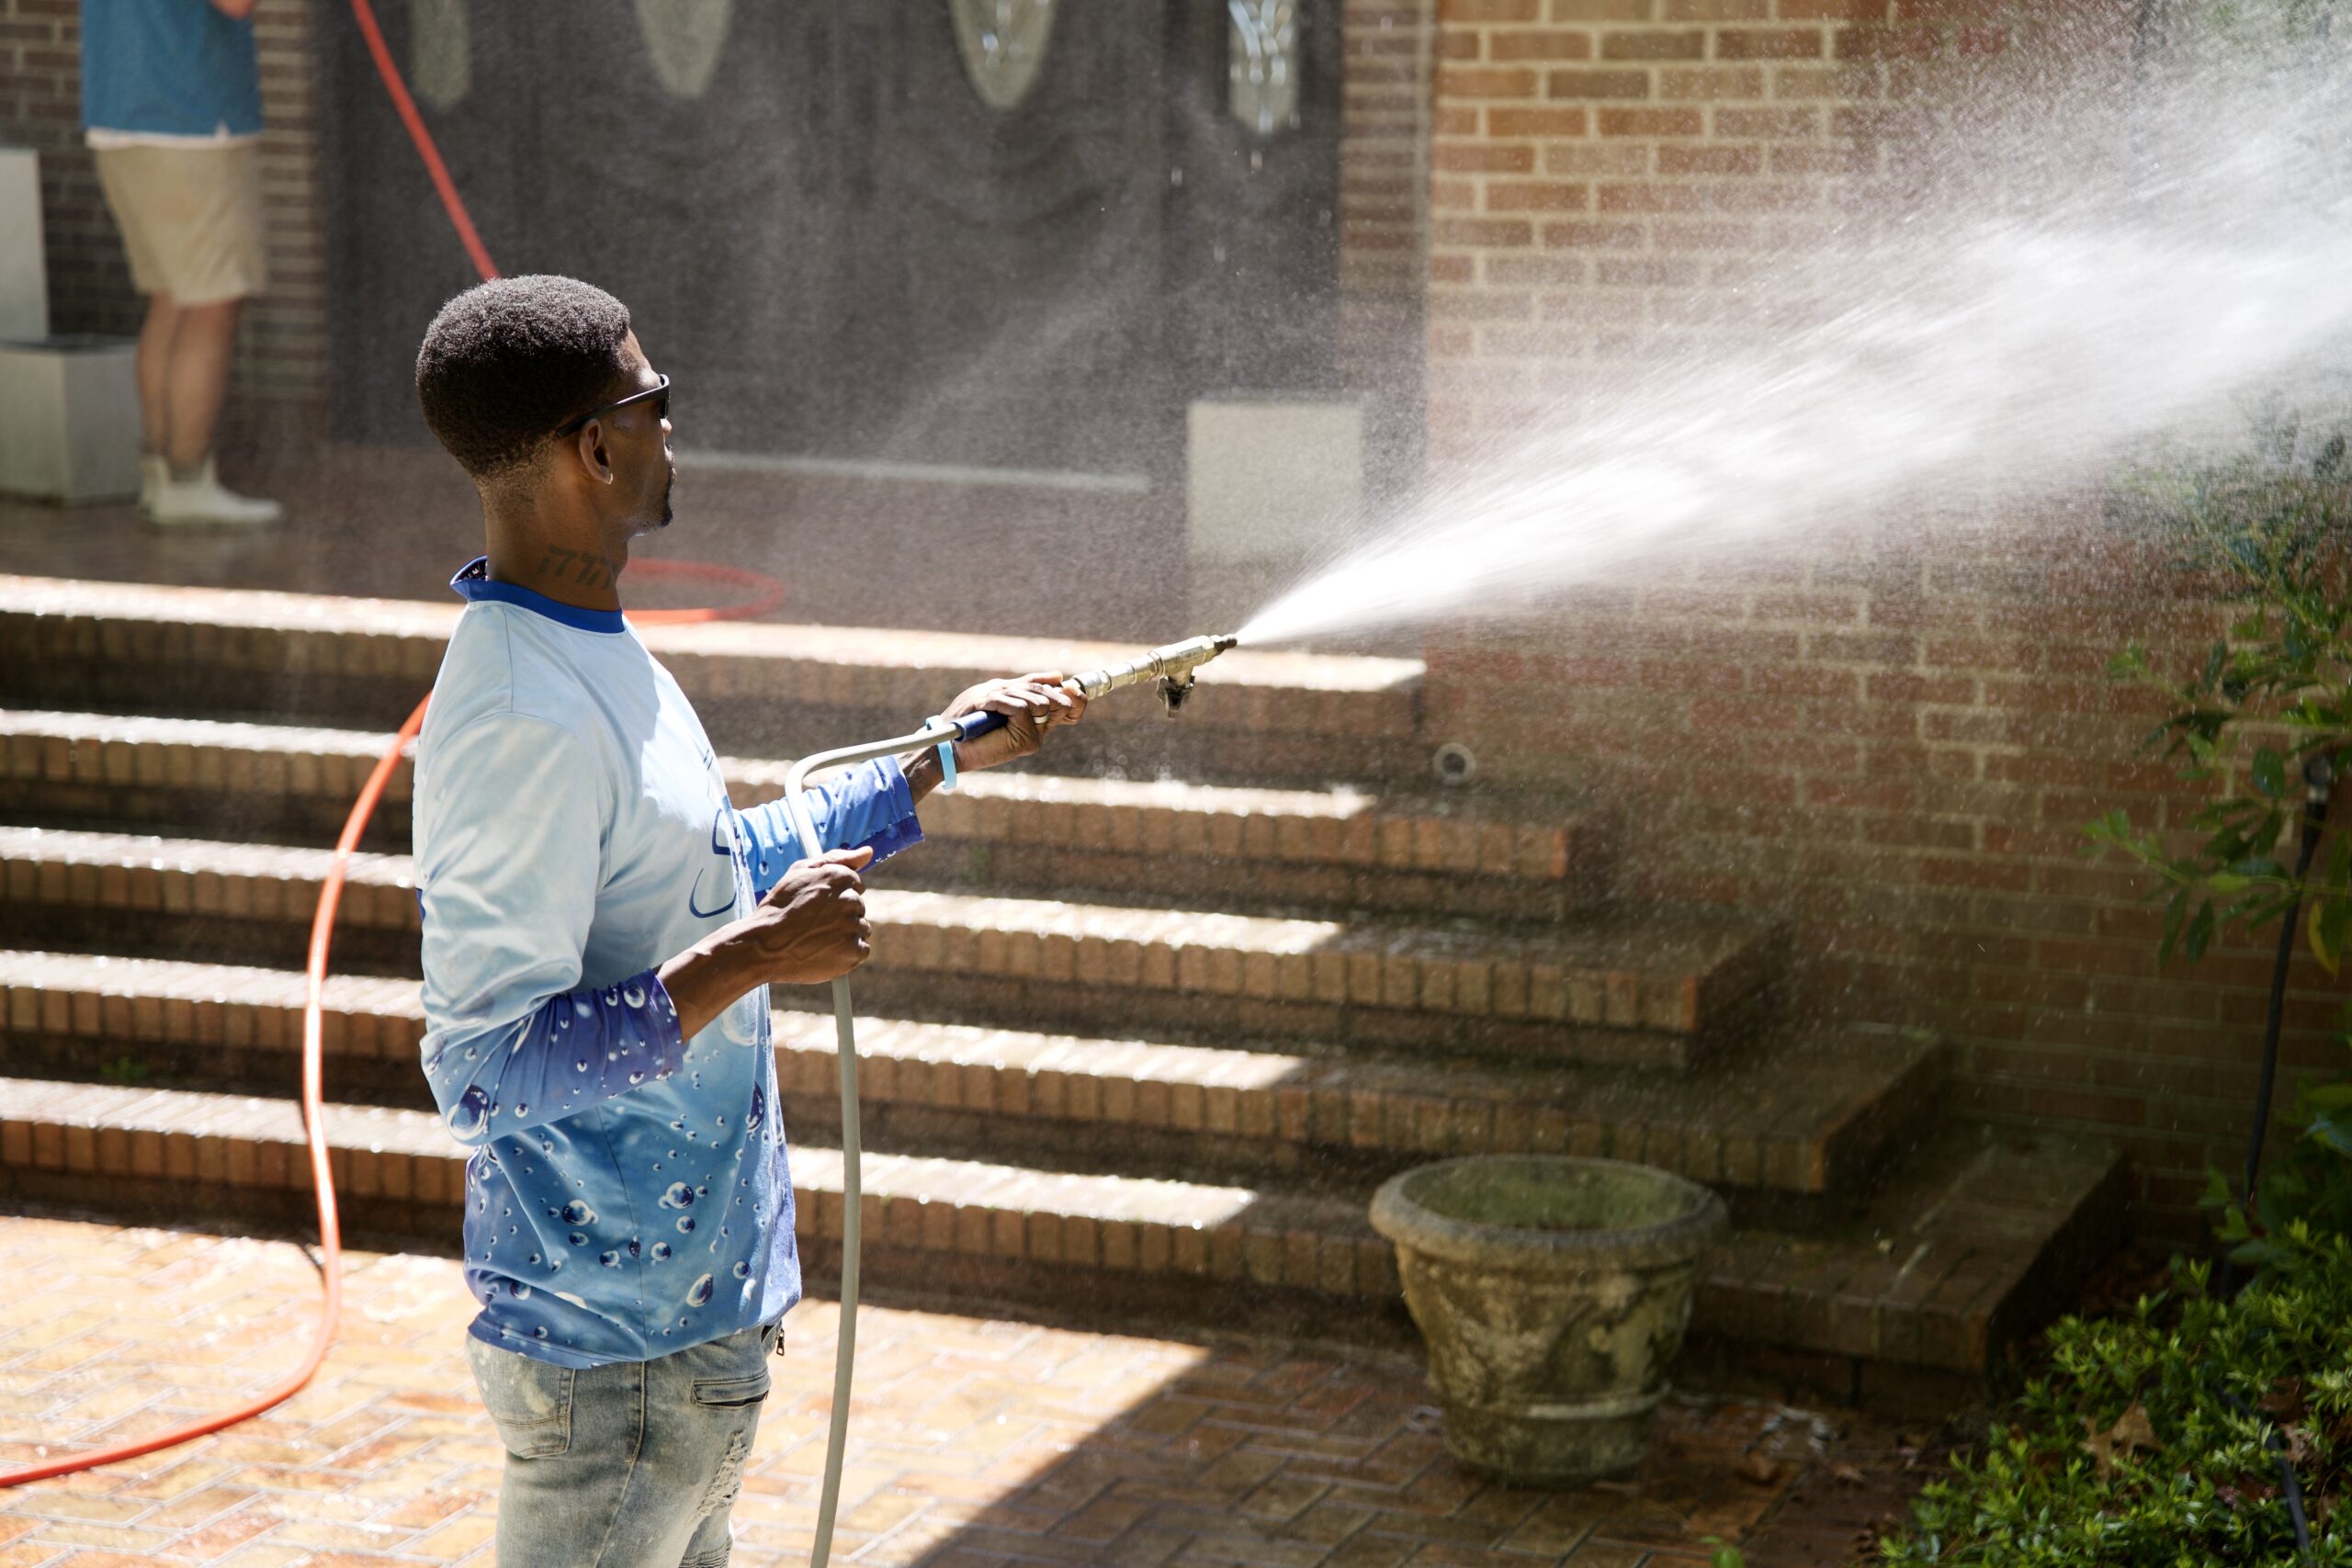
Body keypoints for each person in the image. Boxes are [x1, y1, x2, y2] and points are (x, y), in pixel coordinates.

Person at [409, 274, 1084, 1566]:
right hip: (613, 1366)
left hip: (686, 1343)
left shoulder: (599, 649)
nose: (676, 430)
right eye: (656, 401)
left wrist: (937, 757)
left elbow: (704, 865)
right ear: (595, 447)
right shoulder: (518, 715)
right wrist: (764, 952)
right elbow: (484, 1065)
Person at [80, 0, 282, 525]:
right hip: (188, 119)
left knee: (171, 299)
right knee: (212, 303)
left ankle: (163, 477)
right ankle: (188, 481)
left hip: (121, 114)